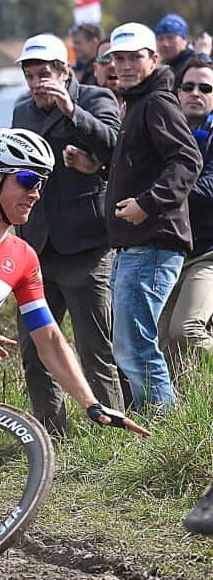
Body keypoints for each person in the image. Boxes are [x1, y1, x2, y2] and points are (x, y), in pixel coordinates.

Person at [0, 33, 123, 436]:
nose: (37, 83)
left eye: (44, 74)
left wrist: (72, 111)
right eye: (30, 76)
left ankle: (111, 433)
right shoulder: (23, 111)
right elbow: (10, 171)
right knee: (34, 350)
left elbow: (116, 149)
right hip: (36, 249)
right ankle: (51, 435)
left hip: (85, 247)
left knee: (94, 347)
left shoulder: (96, 99)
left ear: (65, 72)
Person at [101, 22, 201, 411]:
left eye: (135, 58)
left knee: (135, 345)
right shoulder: (137, 102)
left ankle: (163, 428)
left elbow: (187, 160)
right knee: (130, 344)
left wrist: (147, 203)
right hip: (136, 245)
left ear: (154, 59)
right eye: (119, 58)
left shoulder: (157, 101)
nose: (125, 66)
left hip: (153, 243)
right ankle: (153, 424)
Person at [158, 60, 213, 369]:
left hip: (208, 253)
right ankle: (183, 398)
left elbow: (209, 188)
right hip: (170, 252)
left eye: (206, 88)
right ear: (177, 92)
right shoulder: (163, 131)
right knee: (161, 343)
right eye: (188, 86)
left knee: (187, 330)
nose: (196, 93)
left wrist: (159, 193)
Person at [155, 14, 211, 93]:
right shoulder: (164, 67)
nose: (165, 44)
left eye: (170, 38)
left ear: (185, 40)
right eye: (160, 39)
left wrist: (203, 56)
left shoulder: (192, 62)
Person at [93, 38, 122, 106]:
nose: (112, 65)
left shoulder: (144, 106)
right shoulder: (82, 106)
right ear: (95, 69)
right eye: (105, 59)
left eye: (119, 59)